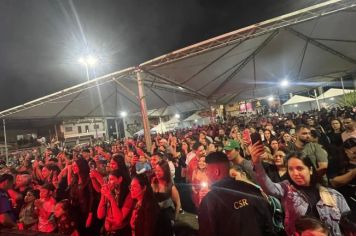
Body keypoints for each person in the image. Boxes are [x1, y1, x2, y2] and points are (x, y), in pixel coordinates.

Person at [251, 144, 350, 236]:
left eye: (300, 168)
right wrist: (257, 163)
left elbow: (347, 225)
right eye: (290, 169)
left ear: (310, 169)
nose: (295, 173)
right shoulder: (286, 189)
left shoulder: (333, 195)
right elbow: (269, 187)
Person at [198, 151, 276, 236]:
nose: (206, 173)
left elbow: (207, 232)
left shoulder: (210, 201)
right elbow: (268, 222)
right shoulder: (251, 189)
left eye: (207, 170)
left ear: (216, 171)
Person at [97, 169, 134, 236]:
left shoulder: (128, 195)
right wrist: (103, 195)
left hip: (120, 232)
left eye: (111, 179)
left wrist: (111, 198)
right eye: (108, 180)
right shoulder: (111, 191)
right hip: (108, 231)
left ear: (120, 179)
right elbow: (100, 215)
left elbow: (118, 220)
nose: (109, 182)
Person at [151, 159, 181, 236]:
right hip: (155, 216)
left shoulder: (171, 186)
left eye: (159, 171)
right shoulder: (153, 182)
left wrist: (175, 218)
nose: (157, 173)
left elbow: (178, 203)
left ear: (165, 171)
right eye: (156, 170)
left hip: (166, 218)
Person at [329, 138, 356, 211]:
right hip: (346, 199)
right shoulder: (337, 162)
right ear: (346, 151)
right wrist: (353, 172)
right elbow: (334, 182)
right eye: (355, 153)